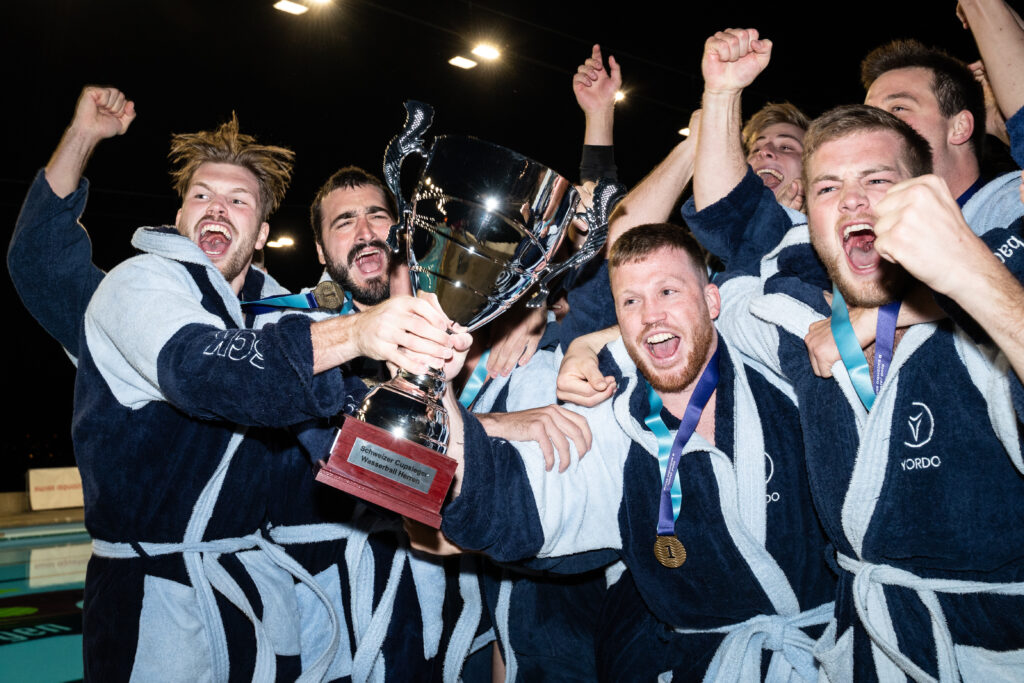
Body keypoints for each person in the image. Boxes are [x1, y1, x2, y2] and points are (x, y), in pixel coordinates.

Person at [10, 85, 469, 681]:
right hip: (155, 605)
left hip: (260, 599)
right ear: (179, 218)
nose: (217, 208)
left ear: (261, 236)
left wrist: (449, 503)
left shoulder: (282, 318)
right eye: (201, 196)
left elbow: (343, 434)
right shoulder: (136, 292)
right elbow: (203, 368)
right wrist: (83, 135)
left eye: (238, 200)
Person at [425, 224, 836, 681]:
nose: (651, 316)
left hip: (836, 652)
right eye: (631, 302)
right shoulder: (614, 421)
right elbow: (514, 503)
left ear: (711, 301)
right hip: (706, 666)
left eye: (668, 292)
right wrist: (434, 389)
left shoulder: (776, 366)